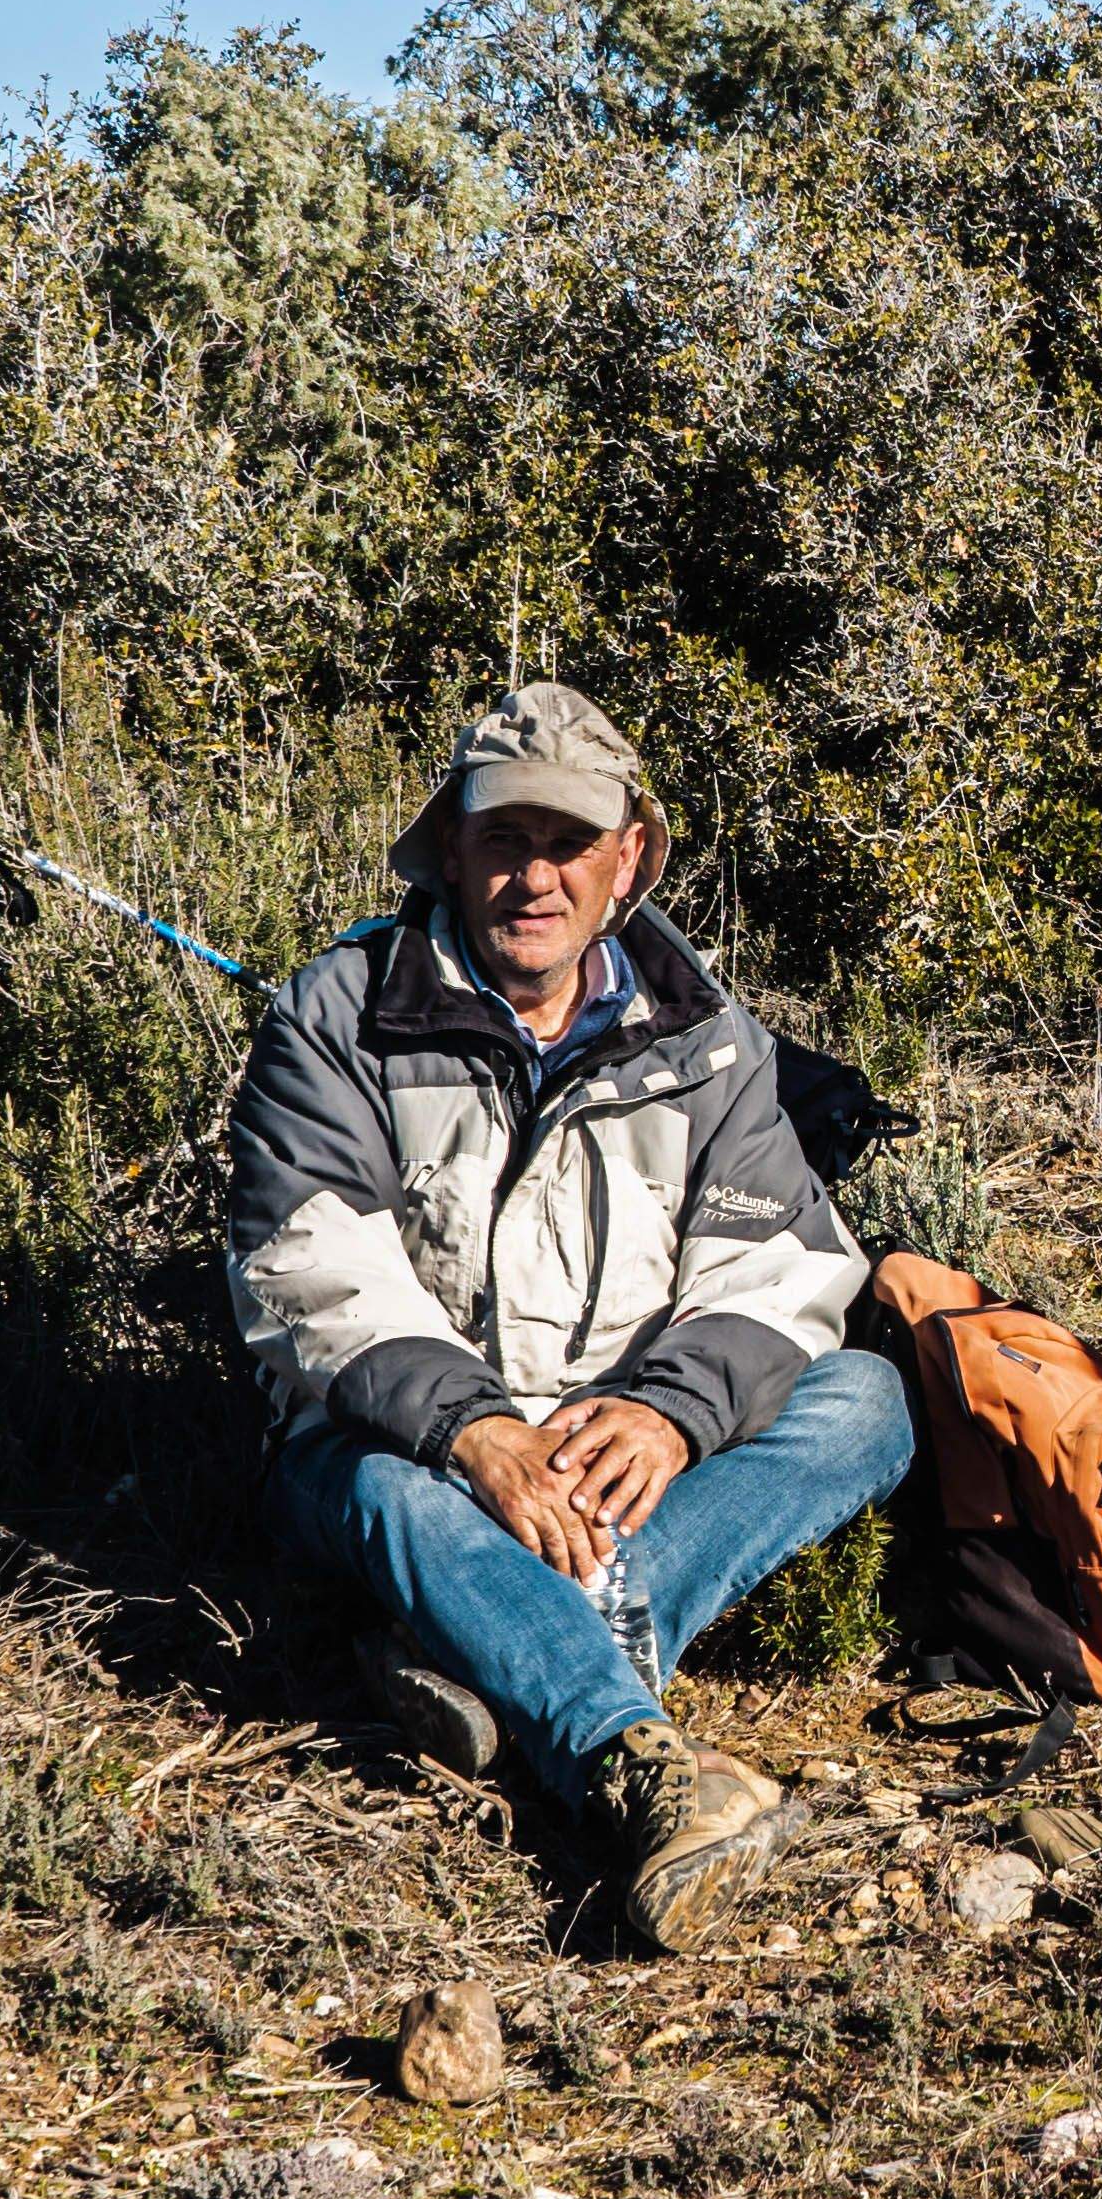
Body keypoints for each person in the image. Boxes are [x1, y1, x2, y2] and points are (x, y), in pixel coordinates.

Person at [230, 683, 905, 1953]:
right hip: (408, 1439)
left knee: (867, 1401)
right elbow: (308, 1273)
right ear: (450, 851)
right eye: (502, 840)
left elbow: (781, 1262)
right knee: (384, 1492)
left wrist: (668, 1414)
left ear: (627, 860)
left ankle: (506, 1648)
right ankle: (631, 1759)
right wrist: (477, 1436)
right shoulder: (335, 1013)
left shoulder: (707, 1039)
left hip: (610, 1443)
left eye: (568, 844)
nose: (533, 878)